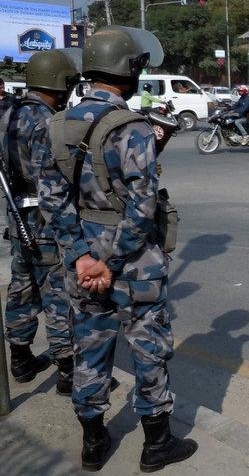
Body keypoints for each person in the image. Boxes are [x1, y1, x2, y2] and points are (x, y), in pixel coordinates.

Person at [37, 26, 197, 472]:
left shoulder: (55, 125)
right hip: (134, 262)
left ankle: (93, 443)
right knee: (149, 348)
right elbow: (143, 207)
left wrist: (84, 258)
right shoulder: (134, 128)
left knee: (90, 347)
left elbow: (53, 201)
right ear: (129, 71)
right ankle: (157, 444)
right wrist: (110, 260)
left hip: (82, 260)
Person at [1, 49, 82, 395]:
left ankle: (20, 359)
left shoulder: (8, 113)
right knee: (58, 292)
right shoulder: (47, 122)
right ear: (58, 82)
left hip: (17, 212)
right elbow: (51, 183)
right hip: (44, 217)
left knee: (22, 286)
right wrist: (72, 234)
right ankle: (67, 371)